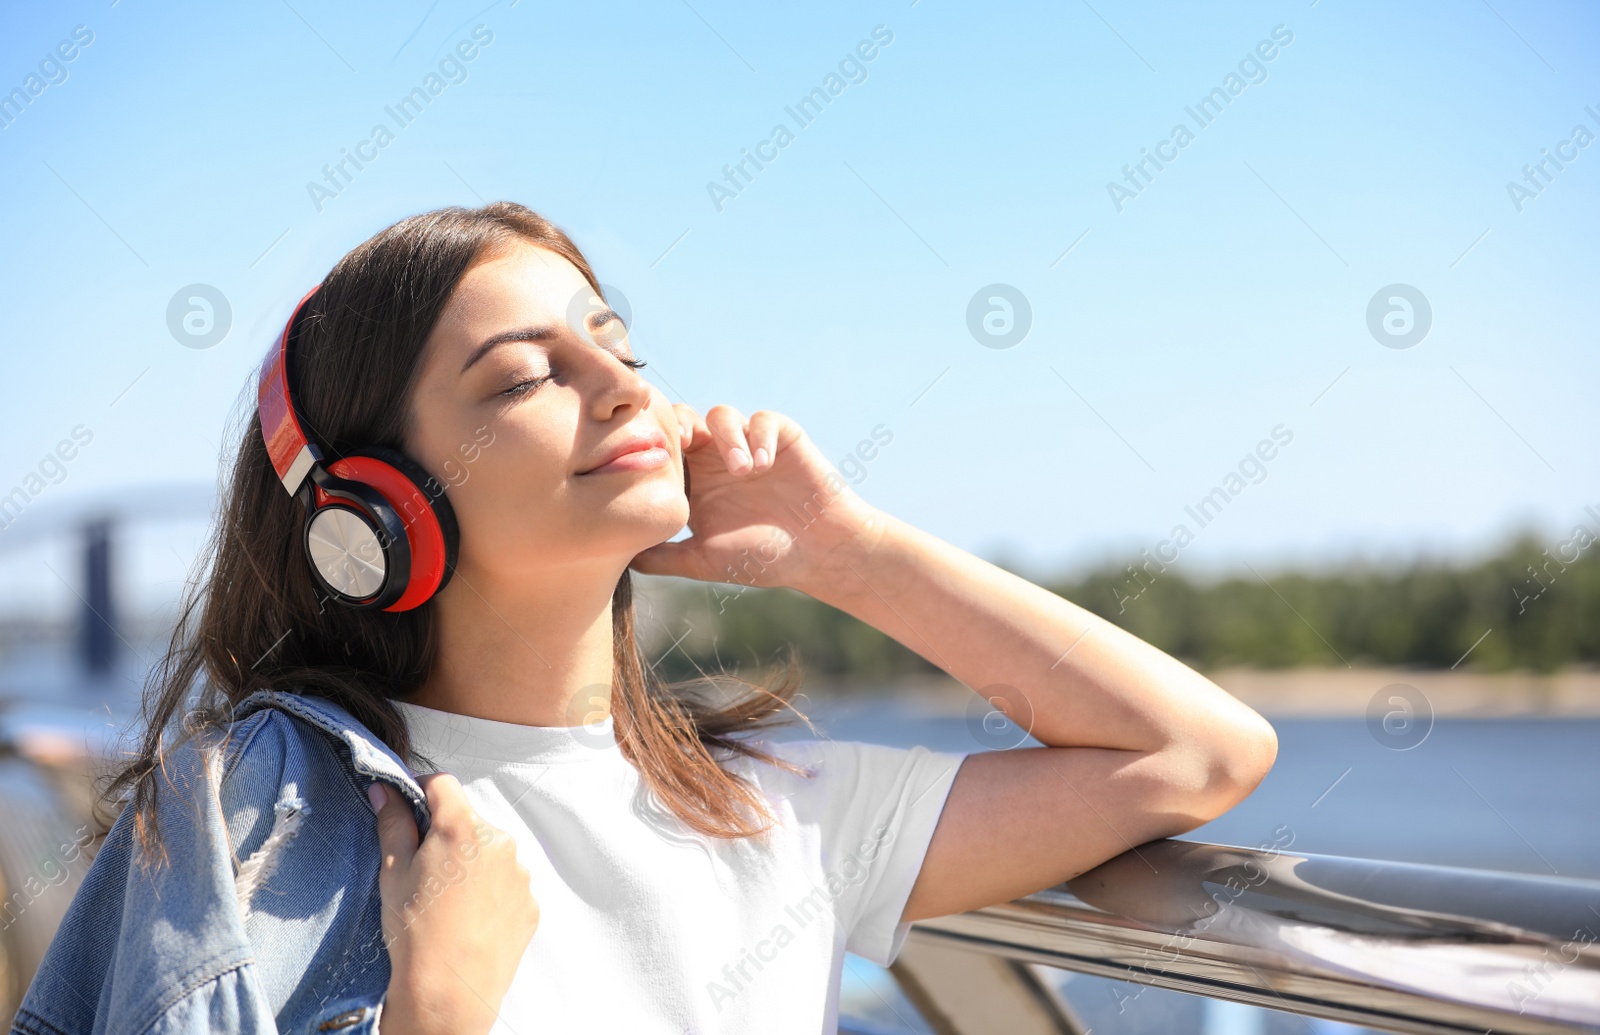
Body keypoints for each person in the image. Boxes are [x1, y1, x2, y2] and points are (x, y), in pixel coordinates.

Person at [10, 202, 1277, 1035]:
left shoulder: (773, 807)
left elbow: (1196, 756)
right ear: (374, 514)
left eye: (615, 344)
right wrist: (438, 1009)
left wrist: (848, 553)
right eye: (525, 375)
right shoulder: (260, 817)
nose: (619, 384)